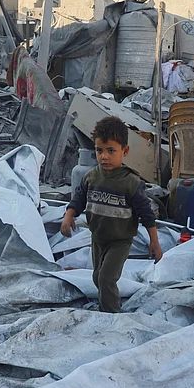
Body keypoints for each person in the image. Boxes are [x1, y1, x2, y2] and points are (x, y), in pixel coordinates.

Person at [61, 116, 163, 313]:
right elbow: (78, 200)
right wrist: (68, 216)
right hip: (98, 238)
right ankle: (107, 306)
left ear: (125, 151)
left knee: (106, 279)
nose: (104, 157)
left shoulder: (131, 183)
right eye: (99, 150)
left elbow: (147, 214)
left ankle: (112, 316)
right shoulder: (91, 177)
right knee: (97, 277)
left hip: (120, 241)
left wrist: (155, 242)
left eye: (111, 151)